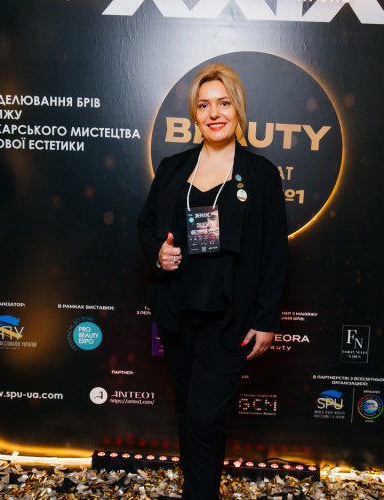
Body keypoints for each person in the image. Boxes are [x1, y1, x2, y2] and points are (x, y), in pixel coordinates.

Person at [138, 63, 288, 500]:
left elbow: (275, 252)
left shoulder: (261, 174)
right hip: (177, 311)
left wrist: (266, 320)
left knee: (205, 417)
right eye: (204, 105)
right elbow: (146, 226)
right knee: (189, 414)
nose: (214, 113)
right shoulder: (173, 168)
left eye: (223, 103)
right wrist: (159, 254)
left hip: (231, 319)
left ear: (238, 109)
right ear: (194, 114)